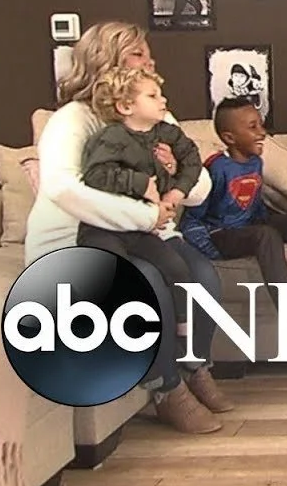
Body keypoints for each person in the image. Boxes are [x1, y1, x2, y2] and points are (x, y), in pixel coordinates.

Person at [25, 21, 230, 434]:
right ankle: (166, 388)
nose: (150, 60)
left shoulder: (153, 113)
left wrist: (174, 177)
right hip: (81, 240)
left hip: (144, 233)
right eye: (139, 53)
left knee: (204, 275)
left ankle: (195, 367)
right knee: (149, 280)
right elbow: (64, 188)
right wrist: (145, 214)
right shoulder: (73, 119)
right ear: (106, 60)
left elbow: (200, 188)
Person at [76, 67, 203, 360]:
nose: (163, 100)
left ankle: (183, 331)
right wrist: (140, 183)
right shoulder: (110, 138)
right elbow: (95, 174)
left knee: (176, 267)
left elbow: (192, 160)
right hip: (105, 227)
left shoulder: (167, 133)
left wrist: (177, 191)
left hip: (143, 229)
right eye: (153, 95)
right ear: (125, 106)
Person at [178, 98, 287, 340]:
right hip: (219, 235)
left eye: (261, 125)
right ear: (229, 137)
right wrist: (205, 247)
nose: (262, 132)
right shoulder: (216, 169)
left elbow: (255, 207)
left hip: (249, 225)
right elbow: (194, 217)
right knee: (265, 236)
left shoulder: (255, 161)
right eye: (253, 127)